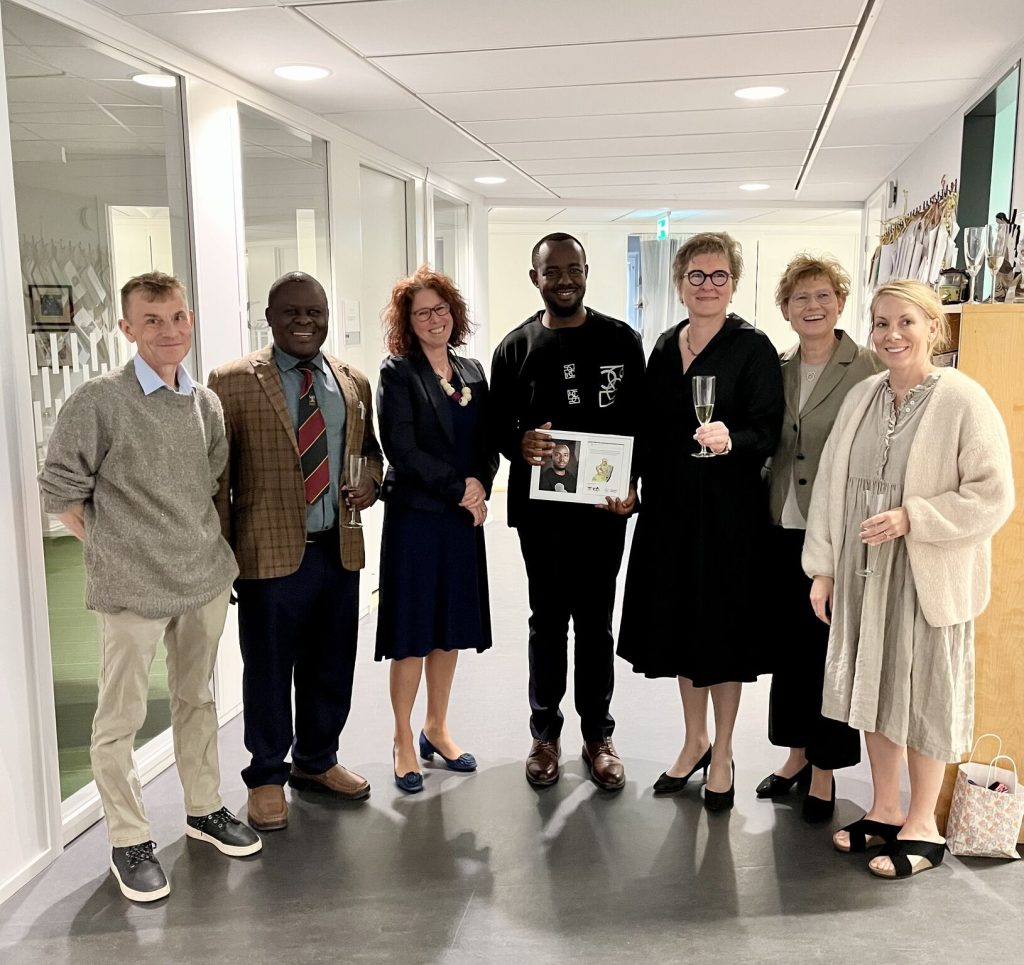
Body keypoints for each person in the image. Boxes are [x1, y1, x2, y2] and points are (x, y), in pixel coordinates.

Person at [38, 271, 261, 903]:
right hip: (130, 590)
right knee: (121, 717)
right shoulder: (99, 401)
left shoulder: (205, 403)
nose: (169, 330)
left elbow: (208, 482)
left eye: (178, 317)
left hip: (202, 579)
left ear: (190, 319)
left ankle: (203, 809)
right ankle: (129, 840)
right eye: (153, 320)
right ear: (127, 328)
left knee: (197, 699)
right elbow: (60, 491)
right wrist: (116, 548)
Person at [804, 279, 1013, 878]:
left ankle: (924, 824)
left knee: (924, 695)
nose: (892, 335)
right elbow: (831, 487)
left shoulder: (964, 399)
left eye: (906, 322)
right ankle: (885, 809)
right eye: (881, 323)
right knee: (872, 689)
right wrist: (823, 568)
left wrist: (913, 517)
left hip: (927, 577)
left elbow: (993, 496)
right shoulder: (863, 396)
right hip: (864, 573)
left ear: (933, 329)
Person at [208, 271, 383, 831]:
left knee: (331, 664)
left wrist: (371, 481)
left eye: (315, 312)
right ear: (269, 317)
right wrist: (222, 558)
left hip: (338, 549)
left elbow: (370, 453)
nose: (305, 321)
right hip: (267, 555)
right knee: (267, 669)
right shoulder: (232, 382)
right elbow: (217, 480)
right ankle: (265, 775)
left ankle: (316, 760)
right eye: (292, 312)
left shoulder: (353, 381)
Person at [618, 232, 784, 811]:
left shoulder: (752, 347)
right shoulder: (666, 344)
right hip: (670, 512)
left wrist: (731, 439)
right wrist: (628, 481)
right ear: (680, 283)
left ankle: (724, 752)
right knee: (681, 630)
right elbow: (648, 427)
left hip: (729, 516)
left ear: (733, 284)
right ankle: (694, 741)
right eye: (696, 275)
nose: (707, 286)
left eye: (718, 276)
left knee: (723, 633)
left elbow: (769, 431)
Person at [490, 232, 644, 791]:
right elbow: (497, 427)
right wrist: (520, 442)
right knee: (548, 624)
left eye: (573, 269)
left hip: (603, 512)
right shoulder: (515, 348)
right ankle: (545, 735)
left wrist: (634, 487)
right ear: (535, 278)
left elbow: (641, 422)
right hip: (543, 518)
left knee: (597, 625)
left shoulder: (621, 340)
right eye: (551, 271)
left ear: (586, 272)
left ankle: (598, 735)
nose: (564, 280)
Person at [757, 254, 883, 822]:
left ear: (840, 302)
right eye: (800, 298)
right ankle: (795, 755)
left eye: (823, 295)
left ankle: (826, 770)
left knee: (829, 654)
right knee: (789, 649)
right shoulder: (777, 366)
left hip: (837, 535)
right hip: (781, 526)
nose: (812, 306)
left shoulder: (868, 367)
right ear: (785, 309)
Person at [375, 266, 498, 793]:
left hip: (460, 520)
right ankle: (403, 738)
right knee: (412, 635)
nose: (434, 319)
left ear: (455, 313)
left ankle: (436, 727)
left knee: (449, 630)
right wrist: (459, 488)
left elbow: (488, 441)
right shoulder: (397, 373)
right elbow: (401, 448)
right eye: (422, 312)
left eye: (441, 309)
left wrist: (482, 485)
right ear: (408, 322)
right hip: (418, 520)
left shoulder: (470, 370)